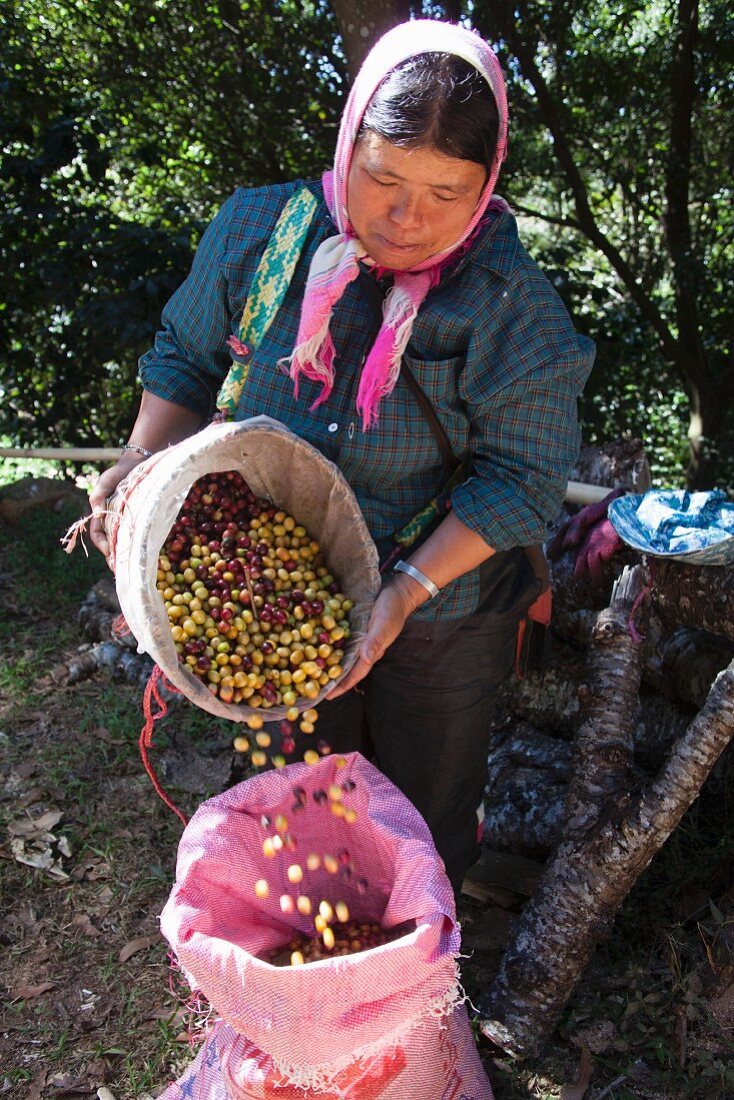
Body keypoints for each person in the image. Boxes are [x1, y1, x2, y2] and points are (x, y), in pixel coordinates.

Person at [89, 19, 595, 895]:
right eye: (384, 177)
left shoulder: (509, 304)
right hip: (284, 560)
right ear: (348, 138)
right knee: (297, 800)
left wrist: (400, 594)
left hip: (446, 602)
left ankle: (414, 977)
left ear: (489, 182)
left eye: (447, 191)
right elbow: (186, 355)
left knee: (422, 819)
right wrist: (140, 459)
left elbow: (521, 482)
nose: (408, 218)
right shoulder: (263, 231)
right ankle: (313, 964)